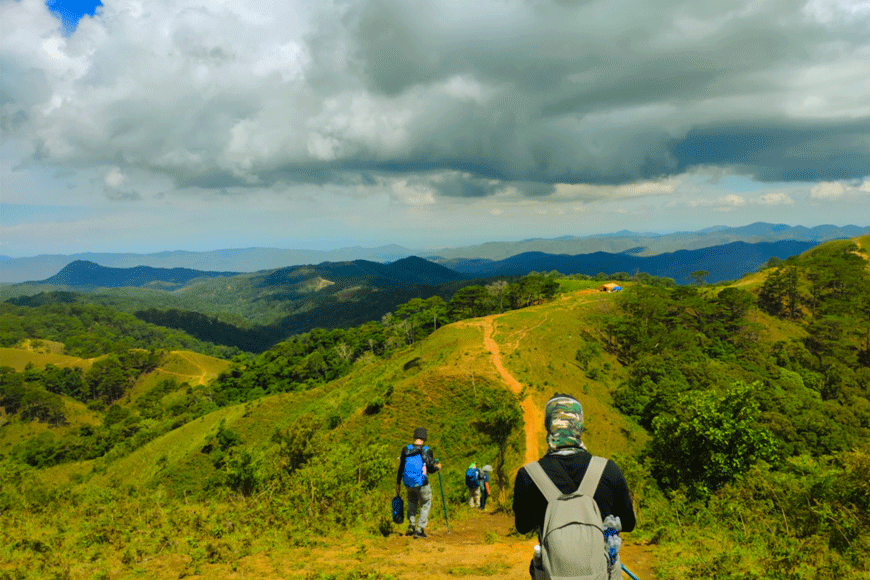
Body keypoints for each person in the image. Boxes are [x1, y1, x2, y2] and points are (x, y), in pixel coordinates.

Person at [513, 394, 636, 580]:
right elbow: (628, 523)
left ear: (548, 425)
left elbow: (522, 526)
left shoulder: (529, 475)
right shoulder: (608, 470)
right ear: (579, 425)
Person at [396, 426, 441, 539]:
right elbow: (430, 469)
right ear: (424, 438)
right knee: (425, 504)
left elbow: (401, 467)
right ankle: (420, 530)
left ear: (414, 437)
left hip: (408, 483)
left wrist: (398, 483)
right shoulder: (426, 450)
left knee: (412, 502)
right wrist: (438, 468)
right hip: (422, 483)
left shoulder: (406, 449)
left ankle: (411, 525)